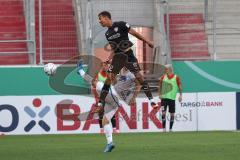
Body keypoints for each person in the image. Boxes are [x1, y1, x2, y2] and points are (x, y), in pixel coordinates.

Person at [96, 11, 158, 113]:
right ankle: (99, 104)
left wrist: (147, 42)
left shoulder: (121, 24)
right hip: (117, 58)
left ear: (106, 18)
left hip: (128, 55)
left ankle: (152, 101)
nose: (99, 21)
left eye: (100, 19)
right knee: (108, 80)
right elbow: (113, 48)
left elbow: (135, 33)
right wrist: (109, 58)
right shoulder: (107, 33)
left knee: (139, 77)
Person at [77, 60, 141, 152]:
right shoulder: (122, 71)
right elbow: (114, 75)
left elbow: (139, 84)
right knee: (105, 121)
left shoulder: (132, 74)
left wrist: (134, 97)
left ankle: (80, 71)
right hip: (113, 99)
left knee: (95, 82)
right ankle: (110, 143)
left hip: (114, 95)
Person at [92, 62, 118, 134]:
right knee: (101, 112)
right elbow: (94, 84)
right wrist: (96, 97)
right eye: (103, 65)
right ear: (101, 66)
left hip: (109, 96)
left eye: (106, 65)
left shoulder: (109, 74)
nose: (105, 67)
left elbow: (114, 82)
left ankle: (114, 129)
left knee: (110, 111)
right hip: (101, 96)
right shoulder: (98, 74)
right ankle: (101, 129)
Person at [158, 64, 182, 132]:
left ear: (170, 69)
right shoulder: (163, 77)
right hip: (164, 99)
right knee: (163, 113)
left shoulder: (176, 77)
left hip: (172, 99)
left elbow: (180, 86)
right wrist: (159, 94)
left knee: (172, 114)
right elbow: (159, 85)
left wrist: (180, 95)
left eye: (166, 69)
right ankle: (164, 129)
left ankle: (170, 129)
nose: (165, 70)